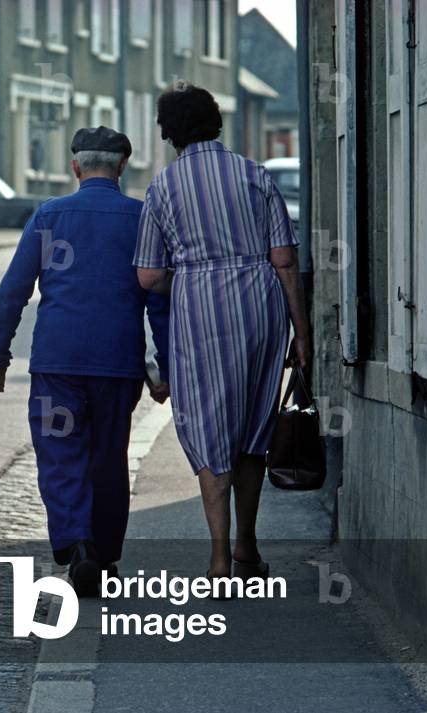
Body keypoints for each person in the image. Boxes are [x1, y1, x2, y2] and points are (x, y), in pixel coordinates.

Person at [0, 126, 170, 596]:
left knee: (61, 456)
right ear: (122, 168)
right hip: (117, 364)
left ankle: (77, 545)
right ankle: (103, 556)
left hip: (58, 365)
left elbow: (14, 291)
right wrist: (164, 366)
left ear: (76, 167)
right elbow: (160, 299)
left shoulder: (49, 216)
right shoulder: (142, 219)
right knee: (108, 459)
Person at [133, 84, 310, 582]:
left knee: (210, 430)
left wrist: (192, 276)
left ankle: (216, 560)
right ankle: (247, 548)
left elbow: (147, 275)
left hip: (199, 314)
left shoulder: (163, 187)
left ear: (170, 133)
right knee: (254, 428)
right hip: (260, 307)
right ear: (216, 122)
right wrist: (302, 331)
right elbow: (284, 258)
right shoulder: (256, 175)